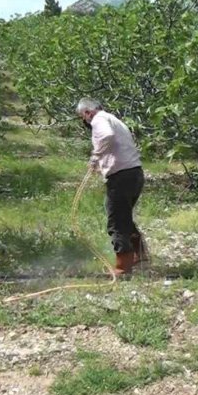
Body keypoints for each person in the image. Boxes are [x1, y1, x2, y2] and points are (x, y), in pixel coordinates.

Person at [76, 98, 148, 275]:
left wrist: (96, 156)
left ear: (87, 113)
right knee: (124, 218)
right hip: (134, 173)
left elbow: (107, 136)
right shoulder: (113, 119)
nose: (85, 122)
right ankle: (140, 256)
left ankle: (123, 267)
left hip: (121, 176)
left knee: (116, 222)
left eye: (83, 118)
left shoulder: (99, 119)